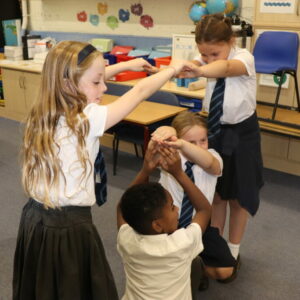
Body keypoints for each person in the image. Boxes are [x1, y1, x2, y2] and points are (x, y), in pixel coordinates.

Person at [13, 40, 194, 300]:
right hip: (69, 227)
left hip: (35, 219)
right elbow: (141, 91)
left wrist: (128, 65)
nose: (104, 87)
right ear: (68, 84)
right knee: (74, 288)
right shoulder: (87, 119)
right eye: (97, 83)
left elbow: (80, 78)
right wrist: (173, 70)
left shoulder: (43, 110)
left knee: (45, 286)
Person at [179, 13, 264, 263]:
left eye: (214, 53)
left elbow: (225, 69)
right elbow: (198, 65)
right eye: (203, 54)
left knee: (239, 196)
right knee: (215, 193)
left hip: (242, 133)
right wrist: (177, 69)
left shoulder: (243, 58)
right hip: (214, 130)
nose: (208, 59)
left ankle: (234, 250)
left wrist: (201, 68)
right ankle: (215, 249)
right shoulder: (206, 61)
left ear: (230, 42)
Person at [117, 140, 211, 300]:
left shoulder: (127, 240)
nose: (177, 210)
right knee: (195, 262)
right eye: (173, 207)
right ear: (158, 225)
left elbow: (121, 208)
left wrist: (145, 171)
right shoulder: (181, 244)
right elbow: (204, 209)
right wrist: (179, 173)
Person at [152, 111, 238, 287]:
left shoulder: (213, 156)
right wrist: (166, 130)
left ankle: (196, 267)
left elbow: (209, 164)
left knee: (225, 271)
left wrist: (183, 144)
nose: (199, 146)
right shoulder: (171, 155)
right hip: (170, 225)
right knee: (163, 273)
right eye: (192, 142)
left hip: (199, 226)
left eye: (203, 140)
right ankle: (187, 268)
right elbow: (156, 146)